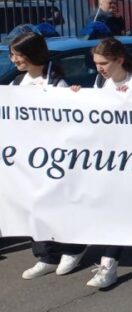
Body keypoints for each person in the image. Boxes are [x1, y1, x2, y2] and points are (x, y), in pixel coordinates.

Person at [10, 32, 89, 281]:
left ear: (31, 55)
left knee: (59, 203)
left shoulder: (56, 83)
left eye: (18, 55)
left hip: (54, 157)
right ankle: (46, 254)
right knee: (34, 206)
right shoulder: (15, 85)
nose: (14, 60)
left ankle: (73, 247)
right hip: (27, 158)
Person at [74, 38, 132, 289]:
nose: (99, 68)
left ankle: (109, 266)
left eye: (104, 63)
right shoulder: (101, 82)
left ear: (119, 59)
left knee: (119, 211)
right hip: (107, 158)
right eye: (96, 63)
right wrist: (78, 96)